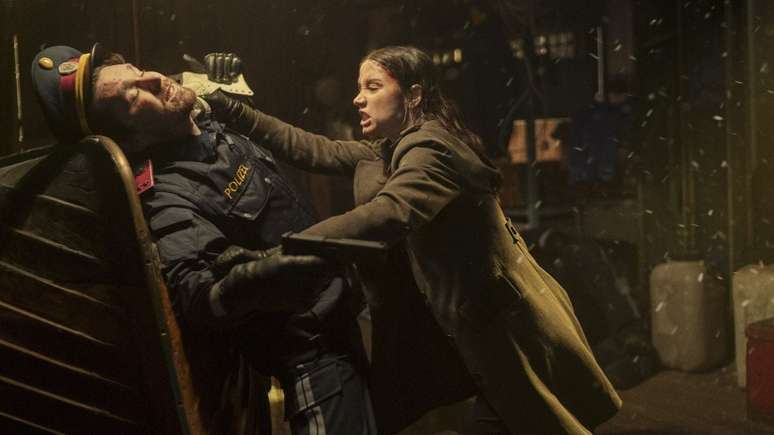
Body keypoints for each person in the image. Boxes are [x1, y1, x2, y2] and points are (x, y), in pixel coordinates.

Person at [203, 46, 623, 435]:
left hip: (504, 330)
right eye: (359, 88)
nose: (358, 99)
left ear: (414, 95)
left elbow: (387, 214)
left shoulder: (432, 150)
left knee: (523, 418)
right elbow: (313, 149)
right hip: (458, 330)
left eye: (372, 87)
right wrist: (234, 111)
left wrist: (279, 252)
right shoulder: (390, 149)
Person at [30, 43, 377, 435]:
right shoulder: (166, 197)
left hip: (353, 316)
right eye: (133, 96)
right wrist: (248, 282)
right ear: (133, 139)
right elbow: (195, 291)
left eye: (137, 71)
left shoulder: (208, 123)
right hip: (319, 362)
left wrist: (233, 95)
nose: (154, 79)